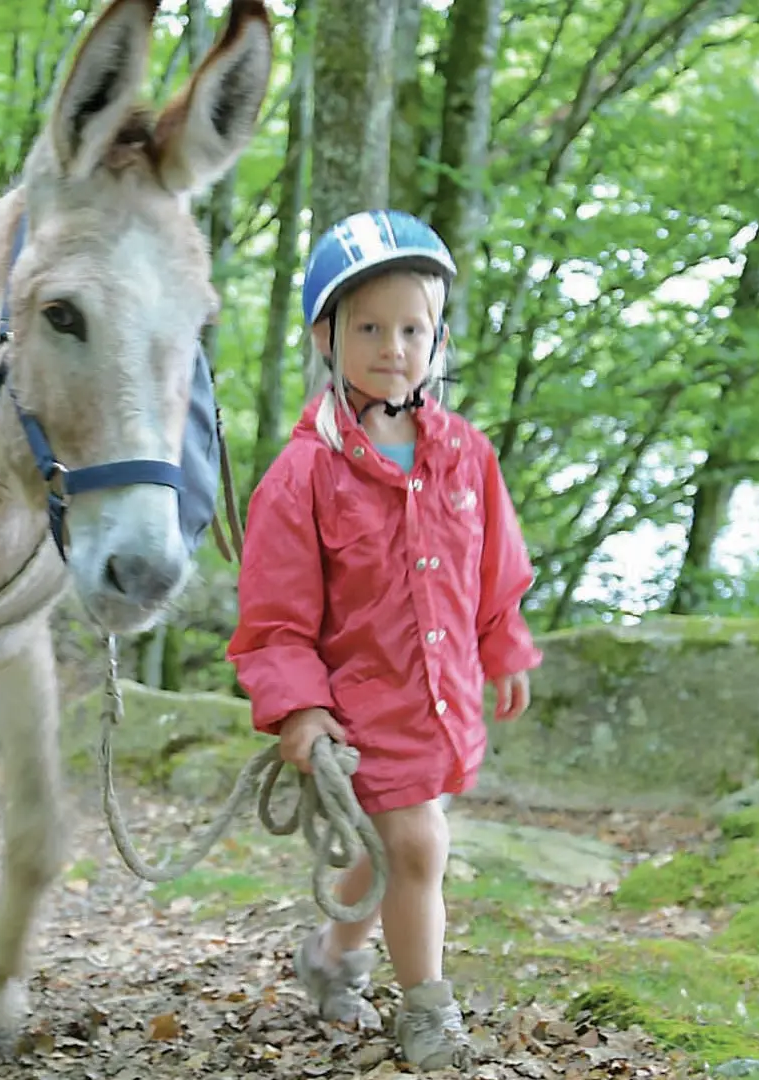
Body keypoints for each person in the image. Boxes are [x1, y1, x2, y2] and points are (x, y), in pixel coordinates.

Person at [226, 209, 543, 1072]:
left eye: (412, 328)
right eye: (369, 326)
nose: (392, 346)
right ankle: (428, 1010)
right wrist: (297, 707)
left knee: (388, 849)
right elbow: (276, 619)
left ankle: (333, 954)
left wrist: (504, 642)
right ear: (327, 336)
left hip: (439, 699)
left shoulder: (466, 456)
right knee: (417, 845)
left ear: (437, 339)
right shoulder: (303, 477)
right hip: (360, 714)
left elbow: (495, 567)